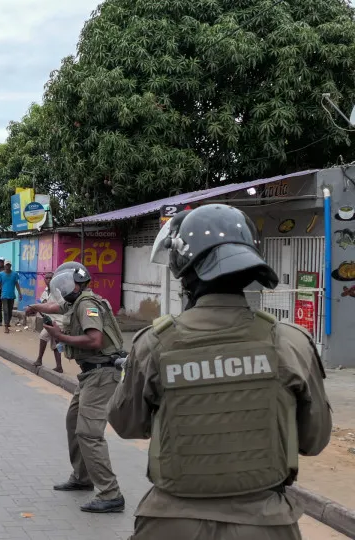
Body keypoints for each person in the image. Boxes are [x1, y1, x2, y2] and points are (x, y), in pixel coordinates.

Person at [108, 204, 333, 539]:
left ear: (184, 268)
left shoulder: (154, 343)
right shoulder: (290, 342)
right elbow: (314, 440)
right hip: (265, 524)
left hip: (171, 523)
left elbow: (127, 425)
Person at [25, 262, 125, 513]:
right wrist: (36, 307)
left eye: (68, 284)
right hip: (90, 374)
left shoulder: (88, 305)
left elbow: (95, 339)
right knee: (73, 423)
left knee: (89, 432)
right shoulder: (76, 301)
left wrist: (60, 337)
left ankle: (111, 493)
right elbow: (55, 306)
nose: (64, 288)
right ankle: (83, 478)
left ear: (78, 284)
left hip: (102, 373)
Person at [36, 272, 65, 373]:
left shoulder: (58, 291)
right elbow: (43, 305)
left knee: (43, 336)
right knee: (55, 344)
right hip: (50, 320)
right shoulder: (45, 292)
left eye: (50, 278)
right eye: (46, 278)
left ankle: (39, 359)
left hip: (58, 320)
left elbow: (61, 305)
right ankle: (59, 366)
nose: (48, 280)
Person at [0, 262, 22, 333]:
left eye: (9, 265)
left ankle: (7, 323)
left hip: (12, 295)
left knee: (10, 311)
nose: (7, 266)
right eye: (6, 265)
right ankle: (6, 326)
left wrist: (20, 293)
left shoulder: (14, 274)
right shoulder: (1, 274)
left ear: (10, 266)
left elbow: (17, 284)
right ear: (4, 266)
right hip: (4, 295)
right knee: (6, 311)